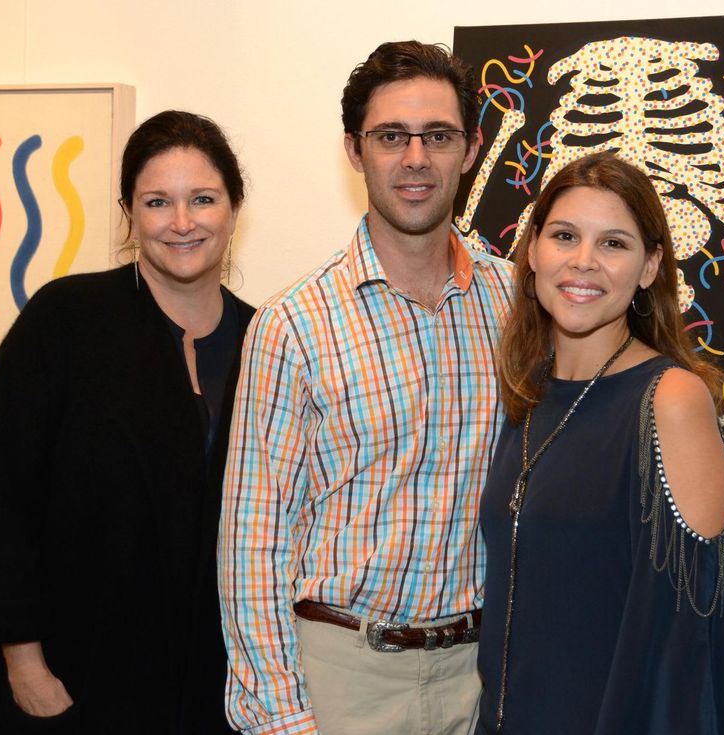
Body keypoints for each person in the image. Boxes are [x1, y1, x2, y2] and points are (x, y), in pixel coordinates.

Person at [218, 41, 513, 735]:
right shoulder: (293, 324)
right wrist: (284, 717)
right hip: (342, 678)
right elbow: (252, 543)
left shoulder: (514, 302)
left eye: (438, 136)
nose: (416, 158)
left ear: (469, 150)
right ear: (355, 150)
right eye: (391, 137)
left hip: (479, 672)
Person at [0, 110, 253, 734]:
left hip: (207, 689)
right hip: (70, 677)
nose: (181, 222)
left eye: (203, 199)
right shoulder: (65, 322)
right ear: (128, 212)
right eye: (156, 202)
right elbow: (0, 503)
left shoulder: (266, 338)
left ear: (234, 207)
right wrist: (25, 665)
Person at [474, 152, 724, 734]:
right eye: (565, 235)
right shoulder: (527, 393)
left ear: (650, 267)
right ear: (532, 251)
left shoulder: (670, 400)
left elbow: (683, 649)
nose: (583, 262)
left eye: (614, 244)